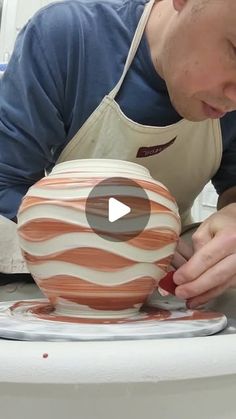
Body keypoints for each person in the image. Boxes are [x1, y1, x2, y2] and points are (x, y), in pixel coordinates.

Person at [0, 0, 236, 308]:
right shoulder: (71, 39)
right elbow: (5, 184)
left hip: (167, 275)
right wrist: (126, 235)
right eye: (235, 51)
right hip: (64, 277)